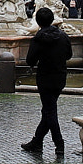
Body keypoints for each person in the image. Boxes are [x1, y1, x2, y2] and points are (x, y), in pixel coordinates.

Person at [22, 8, 71, 154]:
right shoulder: (63, 36)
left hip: (45, 78)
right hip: (60, 77)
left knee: (49, 112)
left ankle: (59, 144)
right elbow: (69, 55)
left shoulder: (38, 39)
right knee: (48, 110)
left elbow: (30, 61)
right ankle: (36, 142)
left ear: (38, 22)